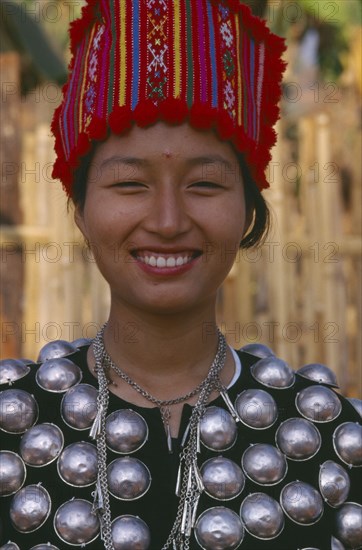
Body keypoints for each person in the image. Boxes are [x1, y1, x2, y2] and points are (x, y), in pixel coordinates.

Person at [0, 1, 361, 549]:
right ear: (79, 211)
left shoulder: (334, 443)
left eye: (205, 185)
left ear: (247, 211)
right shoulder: (13, 430)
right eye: (129, 184)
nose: (168, 221)